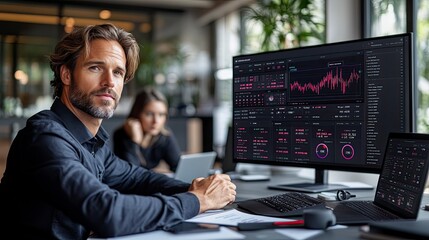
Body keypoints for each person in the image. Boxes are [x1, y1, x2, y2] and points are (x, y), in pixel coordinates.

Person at [0, 23, 236, 239]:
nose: (109, 82)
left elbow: (138, 178)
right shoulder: (45, 137)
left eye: (118, 72)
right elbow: (107, 213)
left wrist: (202, 187)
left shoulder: (93, 142)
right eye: (95, 68)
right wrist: (197, 199)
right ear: (66, 74)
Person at [113, 88, 181, 172]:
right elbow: (130, 174)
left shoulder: (164, 135)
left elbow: (179, 167)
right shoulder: (121, 135)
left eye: (161, 115)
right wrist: (134, 141)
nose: (156, 121)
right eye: (149, 114)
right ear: (137, 113)